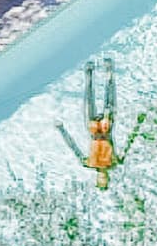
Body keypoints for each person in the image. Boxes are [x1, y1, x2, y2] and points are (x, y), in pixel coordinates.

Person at [57, 58, 144, 189]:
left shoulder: (88, 163)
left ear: (97, 179)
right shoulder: (115, 163)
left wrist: (61, 129)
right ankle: (109, 71)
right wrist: (138, 124)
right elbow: (128, 143)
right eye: (105, 180)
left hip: (93, 131)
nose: (103, 177)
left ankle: (89, 73)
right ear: (108, 178)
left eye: (100, 180)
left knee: (89, 101)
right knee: (109, 100)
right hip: (106, 130)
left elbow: (73, 146)